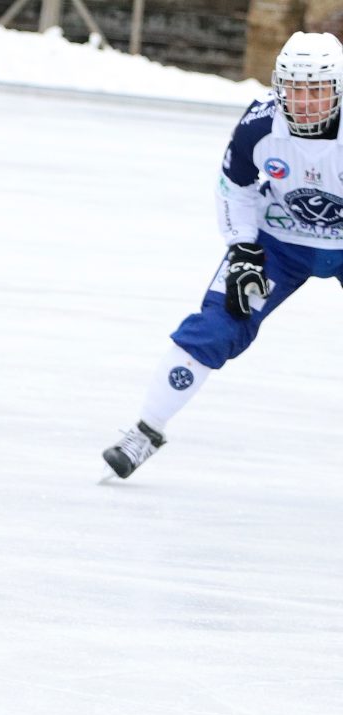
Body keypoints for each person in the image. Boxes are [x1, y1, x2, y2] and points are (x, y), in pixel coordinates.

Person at [103, 31, 343, 479]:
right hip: (281, 242)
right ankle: (145, 431)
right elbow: (235, 185)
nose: (304, 101)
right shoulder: (260, 123)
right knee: (217, 324)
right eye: (294, 88)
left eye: (317, 90)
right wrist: (244, 247)